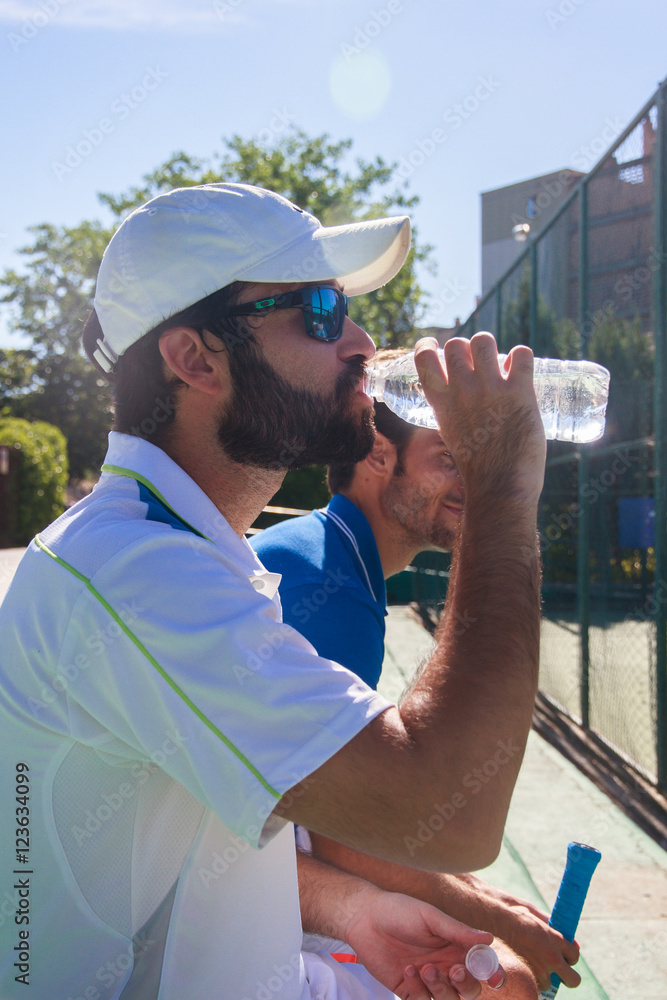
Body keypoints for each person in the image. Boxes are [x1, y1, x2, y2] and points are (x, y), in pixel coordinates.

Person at [0, 182, 546, 1000]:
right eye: (320, 309)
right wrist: (501, 487)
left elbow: (192, 838)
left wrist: (357, 909)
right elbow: (450, 807)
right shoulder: (137, 574)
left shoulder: (177, 551)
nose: (360, 341)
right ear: (193, 358)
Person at [253, 377, 582, 995]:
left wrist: (482, 896)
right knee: (505, 984)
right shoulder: (328, 587)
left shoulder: (334, 559)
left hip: (253, 874)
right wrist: (498, 921)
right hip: (220, 910)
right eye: (453, 458)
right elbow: (339, 838)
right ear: (379, 454)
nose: (475, 478)